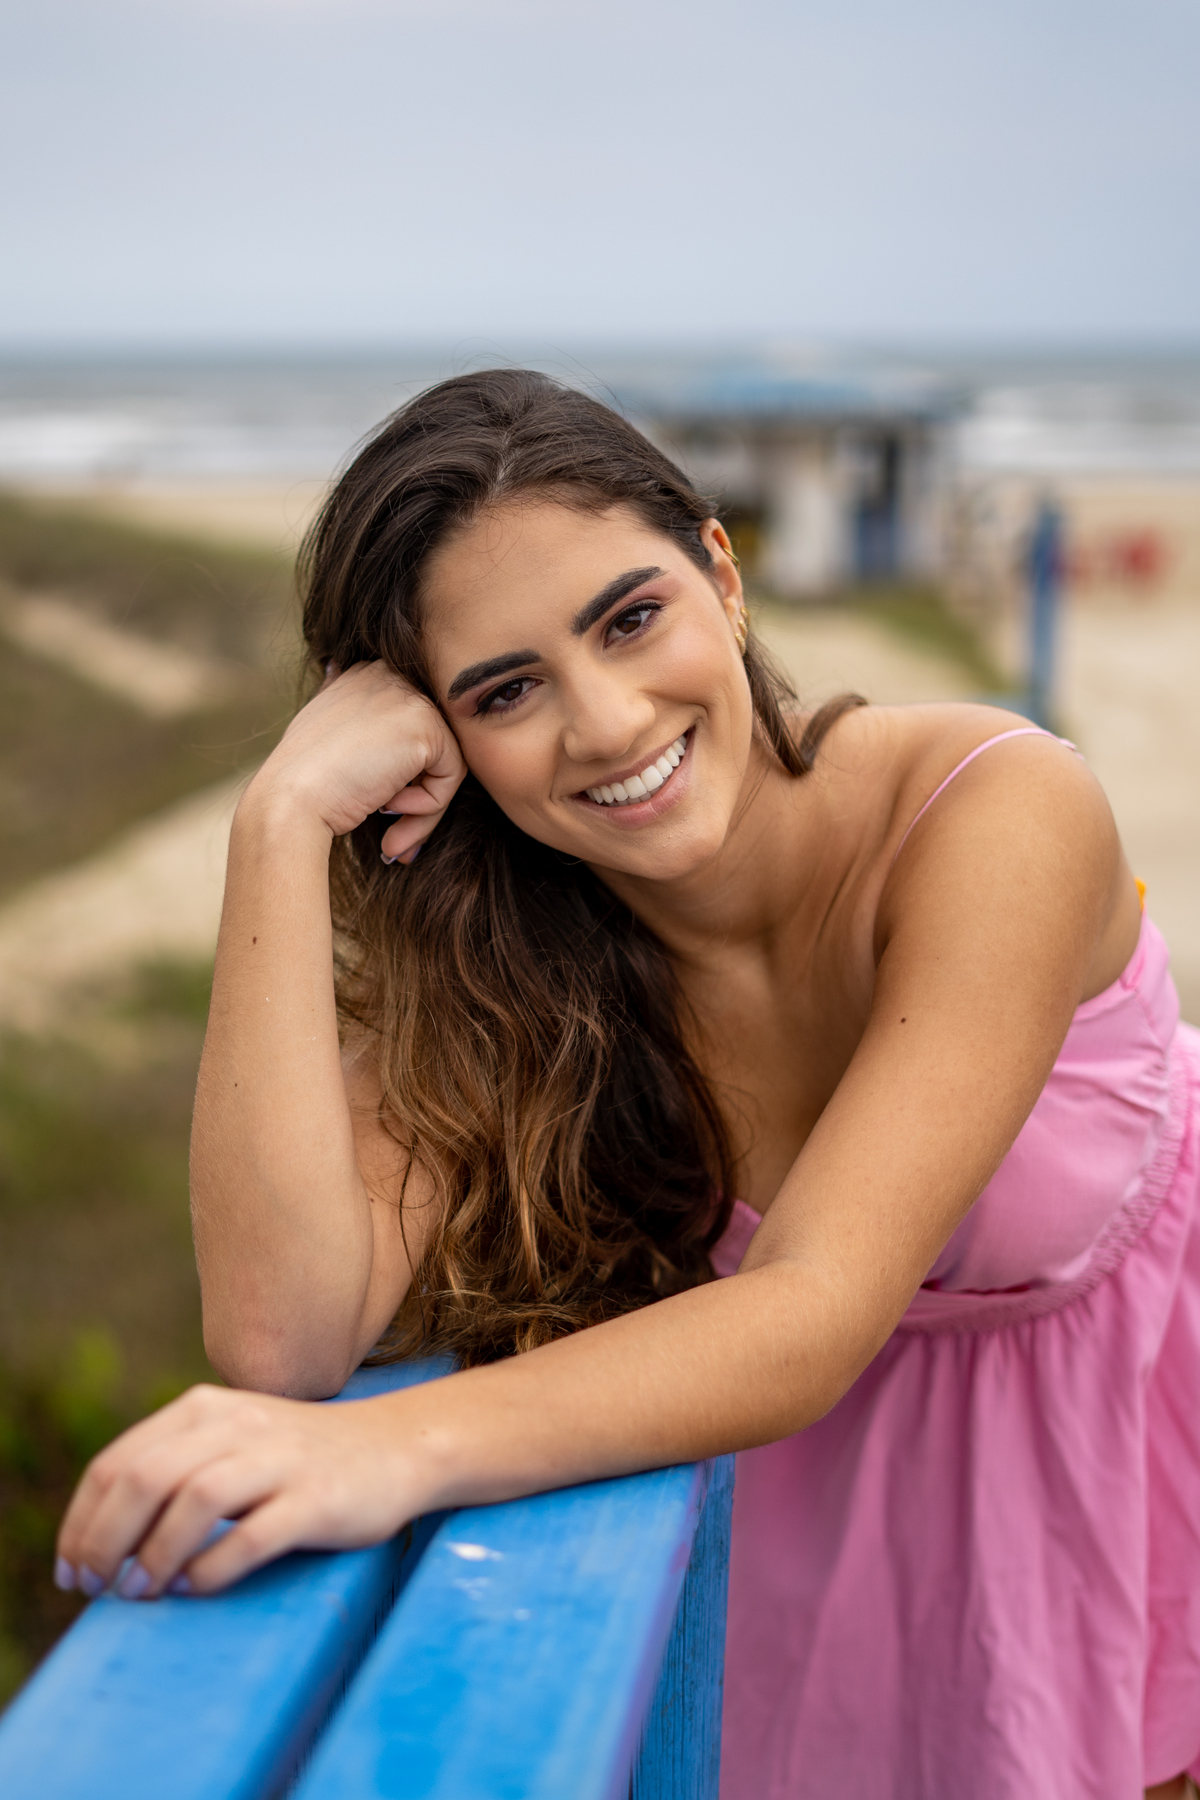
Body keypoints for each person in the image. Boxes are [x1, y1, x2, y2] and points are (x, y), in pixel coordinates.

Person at [55, 371, 1200, 1799]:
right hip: (827, 1567)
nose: (602, 724)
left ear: (721, 572)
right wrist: (280, 821)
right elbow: (286, 1341)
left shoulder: (997, 810)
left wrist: (392, 1457)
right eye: (506, 690)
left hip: (1140, 1475)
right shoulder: (516, 976)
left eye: (630, 617)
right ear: (445, 744)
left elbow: (815, 1305)